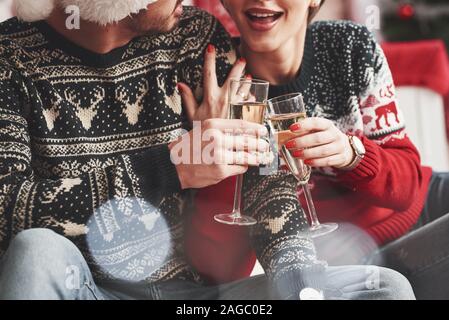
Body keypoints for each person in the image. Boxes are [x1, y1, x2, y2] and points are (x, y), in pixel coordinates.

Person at [0, 0, 414, 300]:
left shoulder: (194, 35)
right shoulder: (10, 57)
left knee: (384, 289)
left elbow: (263, 176)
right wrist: (172, 165)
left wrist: (298, 279)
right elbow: (7, 209)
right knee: (35, 251)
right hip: (86, 289)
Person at [181, 0, 444, 299]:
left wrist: (352, 155)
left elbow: (410, 182)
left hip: (413, 213)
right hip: (340, 257)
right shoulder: (218, 86)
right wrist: (217, 151)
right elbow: (221, 270)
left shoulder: (349, 46)